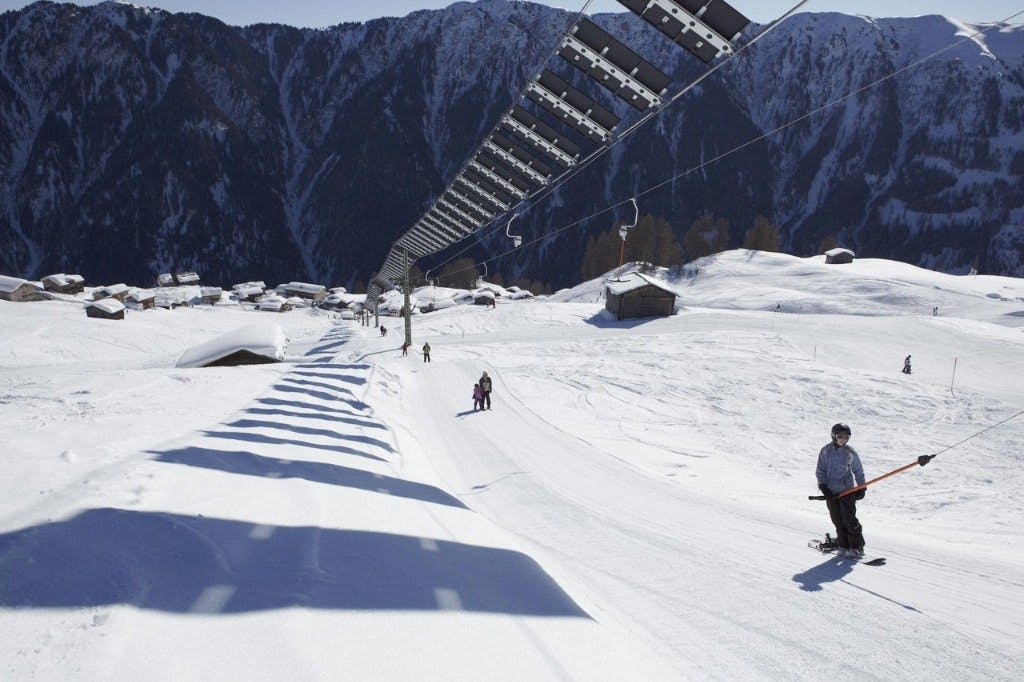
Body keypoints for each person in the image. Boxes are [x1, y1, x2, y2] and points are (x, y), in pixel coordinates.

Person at [815, 423, 867, 558]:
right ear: (833, 436)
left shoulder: (849, 452)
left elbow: (858, 470)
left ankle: (857, 547)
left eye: (846, 437)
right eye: (840, 436)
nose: (843, 440)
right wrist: (823, 487)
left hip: (847, 491)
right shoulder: (825, 451)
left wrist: (861, 487)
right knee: (837, 520)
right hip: (831, 492)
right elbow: (820, 470)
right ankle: (843, 544)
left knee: (849, 520)